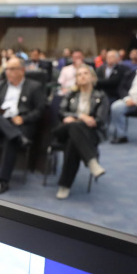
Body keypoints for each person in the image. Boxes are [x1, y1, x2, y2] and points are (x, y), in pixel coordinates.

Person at [0, 57, 47, 196]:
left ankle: (3, 182)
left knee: (10, 139)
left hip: (21, 123)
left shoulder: (34, 86)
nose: (8, 72)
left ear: (22, 70)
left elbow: (40, 110)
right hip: (1, 122)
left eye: (12, 69)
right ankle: (17, 136)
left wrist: (24, 118)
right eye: (7, 69)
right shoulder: (1, 85)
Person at [54, 66, 109, 199]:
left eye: (85, 73)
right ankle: (91, 161)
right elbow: (61, 112)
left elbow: (100, 120)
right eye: (79, 75)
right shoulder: (70, 94)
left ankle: (65, 185)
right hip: (63, 131)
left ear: (93, 77)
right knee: (74, 127)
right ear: (76, 80)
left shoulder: (101, 96)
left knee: (73, 141)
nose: (82, 76)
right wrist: (82, 116)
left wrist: (76, 119)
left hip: (89, 133)